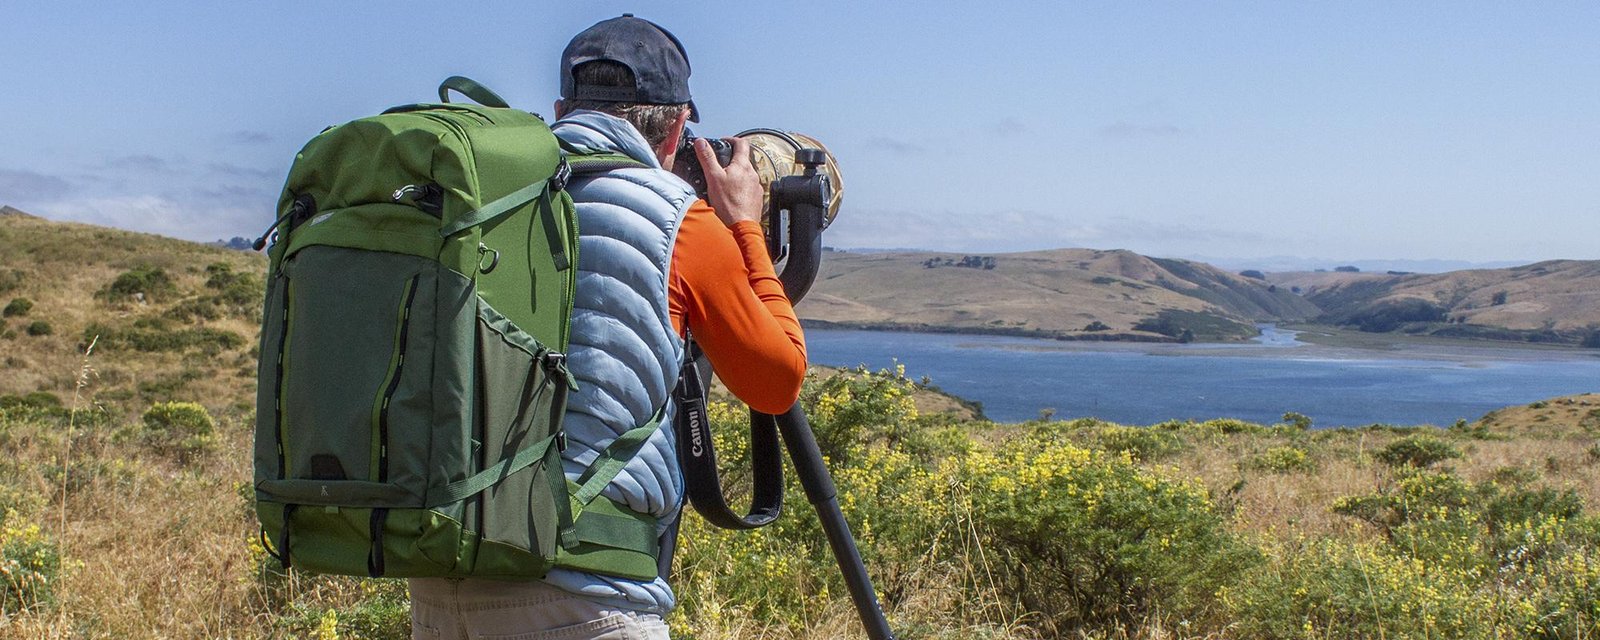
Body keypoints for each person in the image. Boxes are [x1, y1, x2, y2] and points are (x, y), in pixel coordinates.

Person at [408, 15, 808, 640]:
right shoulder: (681, 220)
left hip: (442, 578)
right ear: (678, 126)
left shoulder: (476, 198)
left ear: (561, 108)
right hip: (583, 590)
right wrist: (745, 226)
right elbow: (776, 380)